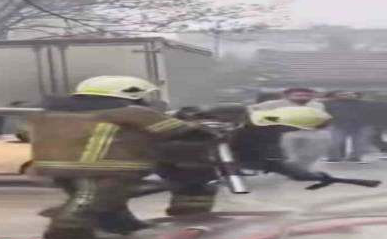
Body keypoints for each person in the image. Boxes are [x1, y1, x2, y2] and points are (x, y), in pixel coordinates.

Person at [26, 75, 214, 239]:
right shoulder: (132, 112)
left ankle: (118, 222)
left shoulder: (49, 113)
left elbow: (24, 134)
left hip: (49, 165)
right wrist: (203, 127)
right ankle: (67, 227)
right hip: (104, 165)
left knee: (101, 195)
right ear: (130, 94)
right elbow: (177, 129)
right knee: (91, 199)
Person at [157, 105, 336, 217]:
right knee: (194, 188)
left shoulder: (262, 126)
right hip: (180, 157)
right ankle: (186, 222)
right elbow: (255, 158)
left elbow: (258, 159)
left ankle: (187, 222)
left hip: (195, 161)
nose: (290, 131)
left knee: (196, 194)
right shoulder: (241, 118)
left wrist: (302, 173)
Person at [252, 88, 328, 171]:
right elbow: (253, 111)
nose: (303, 97)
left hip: (311, 135)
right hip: (285, 134)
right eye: (299, 95)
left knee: (311, 155)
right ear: (287, 96)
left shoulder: (317, 105)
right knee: (290, 154)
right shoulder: (273, 104)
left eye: (307, 95)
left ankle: (304, 169)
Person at [323, 91, 375, 162]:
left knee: (359, 143)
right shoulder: (331, 103)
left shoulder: (365, 103)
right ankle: (333, 157)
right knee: (334, 142)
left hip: (360, 126)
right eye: (343, 94)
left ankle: (355, 157)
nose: (347, 95)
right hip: (339, 125)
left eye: (350, 94)